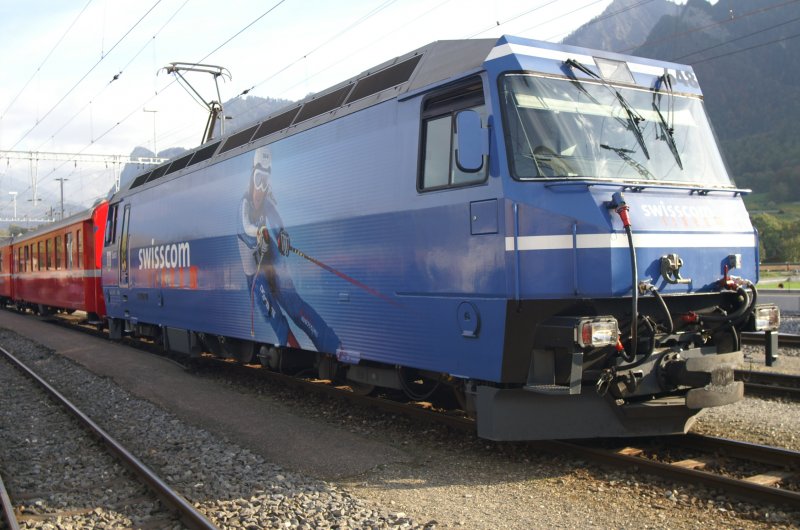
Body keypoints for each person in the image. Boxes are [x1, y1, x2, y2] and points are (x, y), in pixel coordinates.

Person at [237, 145, 341, 353]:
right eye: (258, 179)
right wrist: (259, 231)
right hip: (255, 275)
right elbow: (246, 225)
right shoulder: (245, 203)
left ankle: (333, 346)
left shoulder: (266, 201)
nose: (261, 187)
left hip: (271, 260)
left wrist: (282, 234)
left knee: (295, 305)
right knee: (275, 316)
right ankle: (293, 350)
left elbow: (276, 219)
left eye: (265, 181)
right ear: (251, 178)